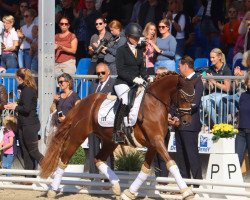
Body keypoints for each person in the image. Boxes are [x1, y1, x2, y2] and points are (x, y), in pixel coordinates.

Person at [4, 68, 44, 178]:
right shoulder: (26, 89)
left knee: (33, 151)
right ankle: (29, 177)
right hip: (24, 124)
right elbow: (25, 105)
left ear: (20, 78)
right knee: (25, 152)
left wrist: (15, 106)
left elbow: (26, 109)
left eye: (17, 78)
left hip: (29, 124)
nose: (16, 80)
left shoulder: (28, 90)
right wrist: (15, 104)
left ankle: (50, 169)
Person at [170, 56, 203, 185]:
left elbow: (194, 103)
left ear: (185, 65)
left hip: (190, 124)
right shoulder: (180, 81)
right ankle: (184, 185)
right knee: (181, 157)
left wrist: (177, 116)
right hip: (178, 124)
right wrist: (170, 115)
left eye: (179, 65)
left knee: (192, 155)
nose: (178, 68)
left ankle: (197, 185)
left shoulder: (197, 81)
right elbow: (174, 102)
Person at [113, 22, 147, 143]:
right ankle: (117, 131)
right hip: (122, 82)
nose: (137, 39)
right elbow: (120, 71)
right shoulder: (121, 50)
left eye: (138, 37)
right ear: (127, 36)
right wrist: (133, 79)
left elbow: (142, 69)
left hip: (136, 83)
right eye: (134, 37)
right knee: (125, 101)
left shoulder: (140, 50)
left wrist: (147, 78)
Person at [87, 62, 115, 173]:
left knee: (107, 150)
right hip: (93, 123)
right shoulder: (94, 84)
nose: (100, 75)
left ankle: (109, 177)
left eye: (102, 73)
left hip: (106, 123)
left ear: (108, 72)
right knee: (93, 149)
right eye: (98, 73)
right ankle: (93, 176)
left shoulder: (113, 84)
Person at [201, 48, 231, 125]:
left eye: (213, 57)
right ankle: (215, 124)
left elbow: (227, 88)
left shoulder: (226, 69)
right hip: (213, 94)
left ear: (219, 57)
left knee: (207, 100)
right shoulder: (210, 69)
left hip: (223, 95)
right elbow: (210, 88)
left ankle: (218, 125)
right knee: (202, 100)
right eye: (210, 57)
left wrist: (214, 81)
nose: (211, 59)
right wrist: (205, 82)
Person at [235, 71, 250, 166]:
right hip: (241, 132)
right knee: (236, 160)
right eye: (248, 81)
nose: (249, 83)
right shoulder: (243, 95)